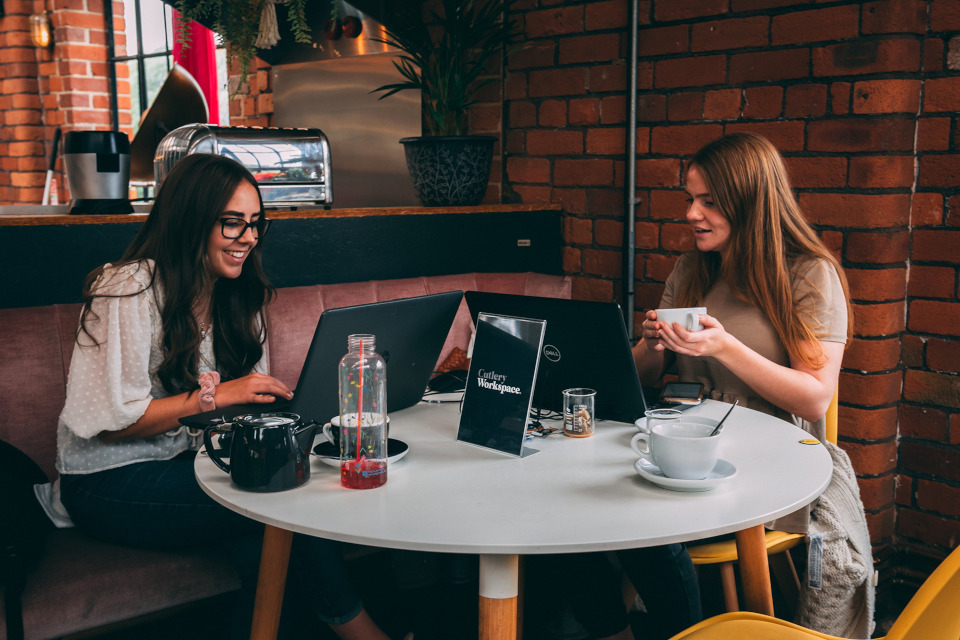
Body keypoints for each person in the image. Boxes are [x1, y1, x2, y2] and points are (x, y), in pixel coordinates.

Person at [54, 154, 395, 640]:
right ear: (189, 220)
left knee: (268, 532)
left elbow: (235, 410)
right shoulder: (129, 289)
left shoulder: (237, 293)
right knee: (281, 503)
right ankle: (365, 635)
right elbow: (111, 424)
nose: (249, 238)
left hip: (188, 464)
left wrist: (282, 412)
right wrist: (213, 398)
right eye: (232, 223)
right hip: (108, 479)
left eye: (255, 224)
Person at [634, 131, 852, 536]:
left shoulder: (808, 274)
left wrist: (726, 348)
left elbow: (813, 400)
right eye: (691, 199)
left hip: (768, 457)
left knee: (636, 523)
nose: (691, 214)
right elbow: (642, 377)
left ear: (750, 204)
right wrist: (650, 345)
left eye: (709, 202)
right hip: (686, 446)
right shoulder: (691, 269)